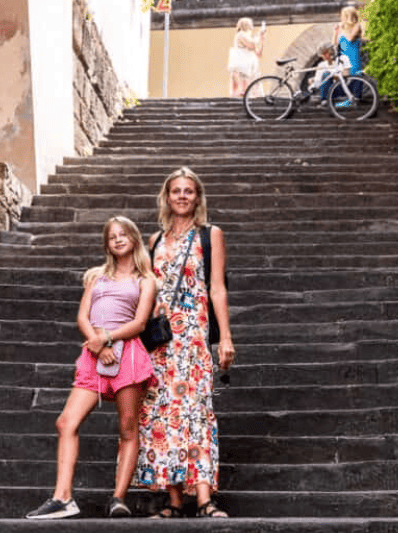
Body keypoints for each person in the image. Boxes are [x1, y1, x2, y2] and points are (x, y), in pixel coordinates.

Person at [26, 216, 157, 520]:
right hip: (94, 354)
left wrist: (107, 339)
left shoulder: (145, 279)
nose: (118, 239)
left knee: (127, 427)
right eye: (112, 237)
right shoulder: (96, 276)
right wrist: (97, 343)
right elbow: (83, 316)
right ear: (107, 244)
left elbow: (139, 322)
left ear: (134, 239)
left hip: (129, 355)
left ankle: (118, 498)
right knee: (66, 422)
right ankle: (63, 497)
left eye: (123, 234)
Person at [134, 166, 236, 518]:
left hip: (193, 339)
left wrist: (225, 338)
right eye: (175, 190)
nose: (181, 196)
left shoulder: (211, 235)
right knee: (164, 416)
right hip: (162, 342)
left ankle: (205, 500)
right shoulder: (155, 242)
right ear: (166, 197)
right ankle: (174, 501)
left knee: (195, 412)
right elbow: (149, 290)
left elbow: (217, 288)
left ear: (197, 197)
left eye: (188, 191)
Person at [227, 17, 266, 97]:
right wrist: (259, 35)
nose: (252, 26)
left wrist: (262, 40)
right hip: (242, 65)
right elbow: (251, 45)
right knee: (242, 82)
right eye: (250, 24)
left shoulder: (250, 37)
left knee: (252, 86)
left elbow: (258, 54)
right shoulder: (240, 35)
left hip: (250, 65)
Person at [332, 5, 363, 104]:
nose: (341, 18)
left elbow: (350, 38)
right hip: (344, 58)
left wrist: (342, 28)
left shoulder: (356, 26)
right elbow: (335, 43)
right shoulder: (343, 28)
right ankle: (349, 99)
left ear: (348, 16)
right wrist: (336, 32)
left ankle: (354, 99)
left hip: (353, 57)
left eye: (343, 16)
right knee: (345, 80)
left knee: (354, 77)